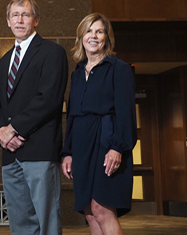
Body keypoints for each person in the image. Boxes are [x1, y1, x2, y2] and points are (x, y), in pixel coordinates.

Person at [0, 0, 68, 235]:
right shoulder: (3, 62)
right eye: (15, 15)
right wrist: (4, 134)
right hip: (11, 154)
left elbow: (49, 98)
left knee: (47, 221)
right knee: (20, 222)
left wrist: (15, 129)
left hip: (40, 150)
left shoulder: (52, 52)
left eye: (25, 15)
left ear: (36, 20)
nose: (20, 19)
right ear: (8, 21)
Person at [61, 13, 136, 235]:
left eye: (99, 31)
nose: (93, 36)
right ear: (81, 37)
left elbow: (126, 113)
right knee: (90, 212)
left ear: (107, 38)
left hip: (107, 142)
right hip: (82, 147)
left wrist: (117, 147)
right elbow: (72, 115)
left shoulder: (118, 68)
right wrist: (68, 152)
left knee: (102, 209)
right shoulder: (77, 73)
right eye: (88, 31)